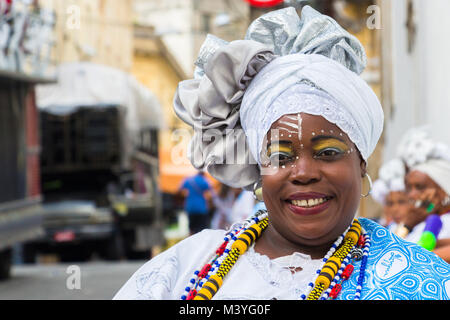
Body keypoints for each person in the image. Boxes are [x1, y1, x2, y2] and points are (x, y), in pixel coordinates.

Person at [114, 6, 450, 300]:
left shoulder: (419, 279)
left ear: (361, 162)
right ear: (259, 168)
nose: (303, 171)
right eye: (279, 156)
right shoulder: (188, 266)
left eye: (329, 152)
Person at [371, 158, 409, 232]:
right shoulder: (379, 231)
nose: (395, 209)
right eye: (390, 204)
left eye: (401, 202)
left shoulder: (424, 229)